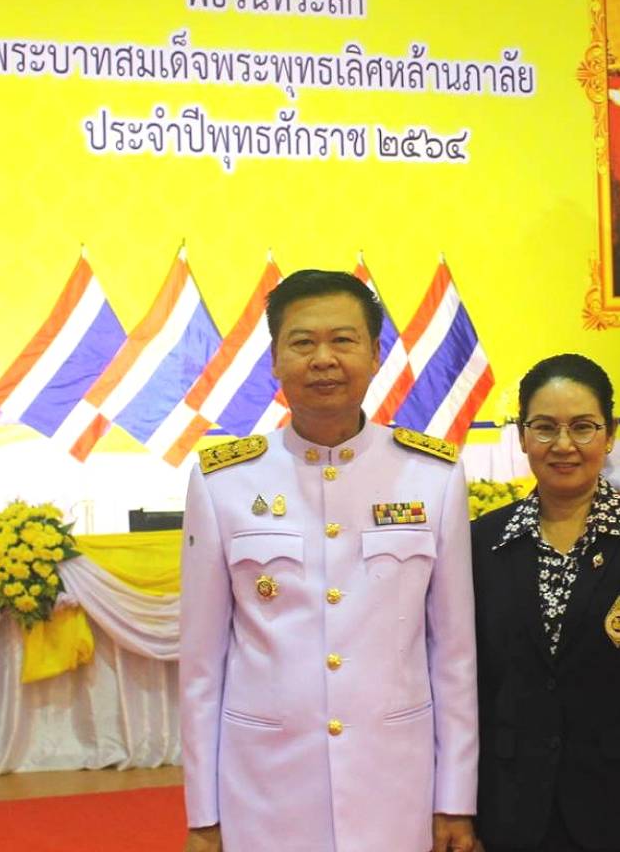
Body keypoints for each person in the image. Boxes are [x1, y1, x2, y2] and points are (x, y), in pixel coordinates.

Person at [180, 269, 478, 852]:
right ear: (275, 358)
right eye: (303, 342)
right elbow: (201, 666)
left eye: (343, 340)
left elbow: (453, 655)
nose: (324, 359)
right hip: (264, 784)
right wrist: (202, 814)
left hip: (395, 781)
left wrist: (455, 799)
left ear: (374, 354)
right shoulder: (223, 481)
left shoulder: (433, 475)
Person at [471, 354, 620, 852]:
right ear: (522, 436)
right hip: (510, 814)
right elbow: (466, 688)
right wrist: (460, 811)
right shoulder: (484, 541)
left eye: (583, 427)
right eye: (545, 427)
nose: (563, 445)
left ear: (610, 433)